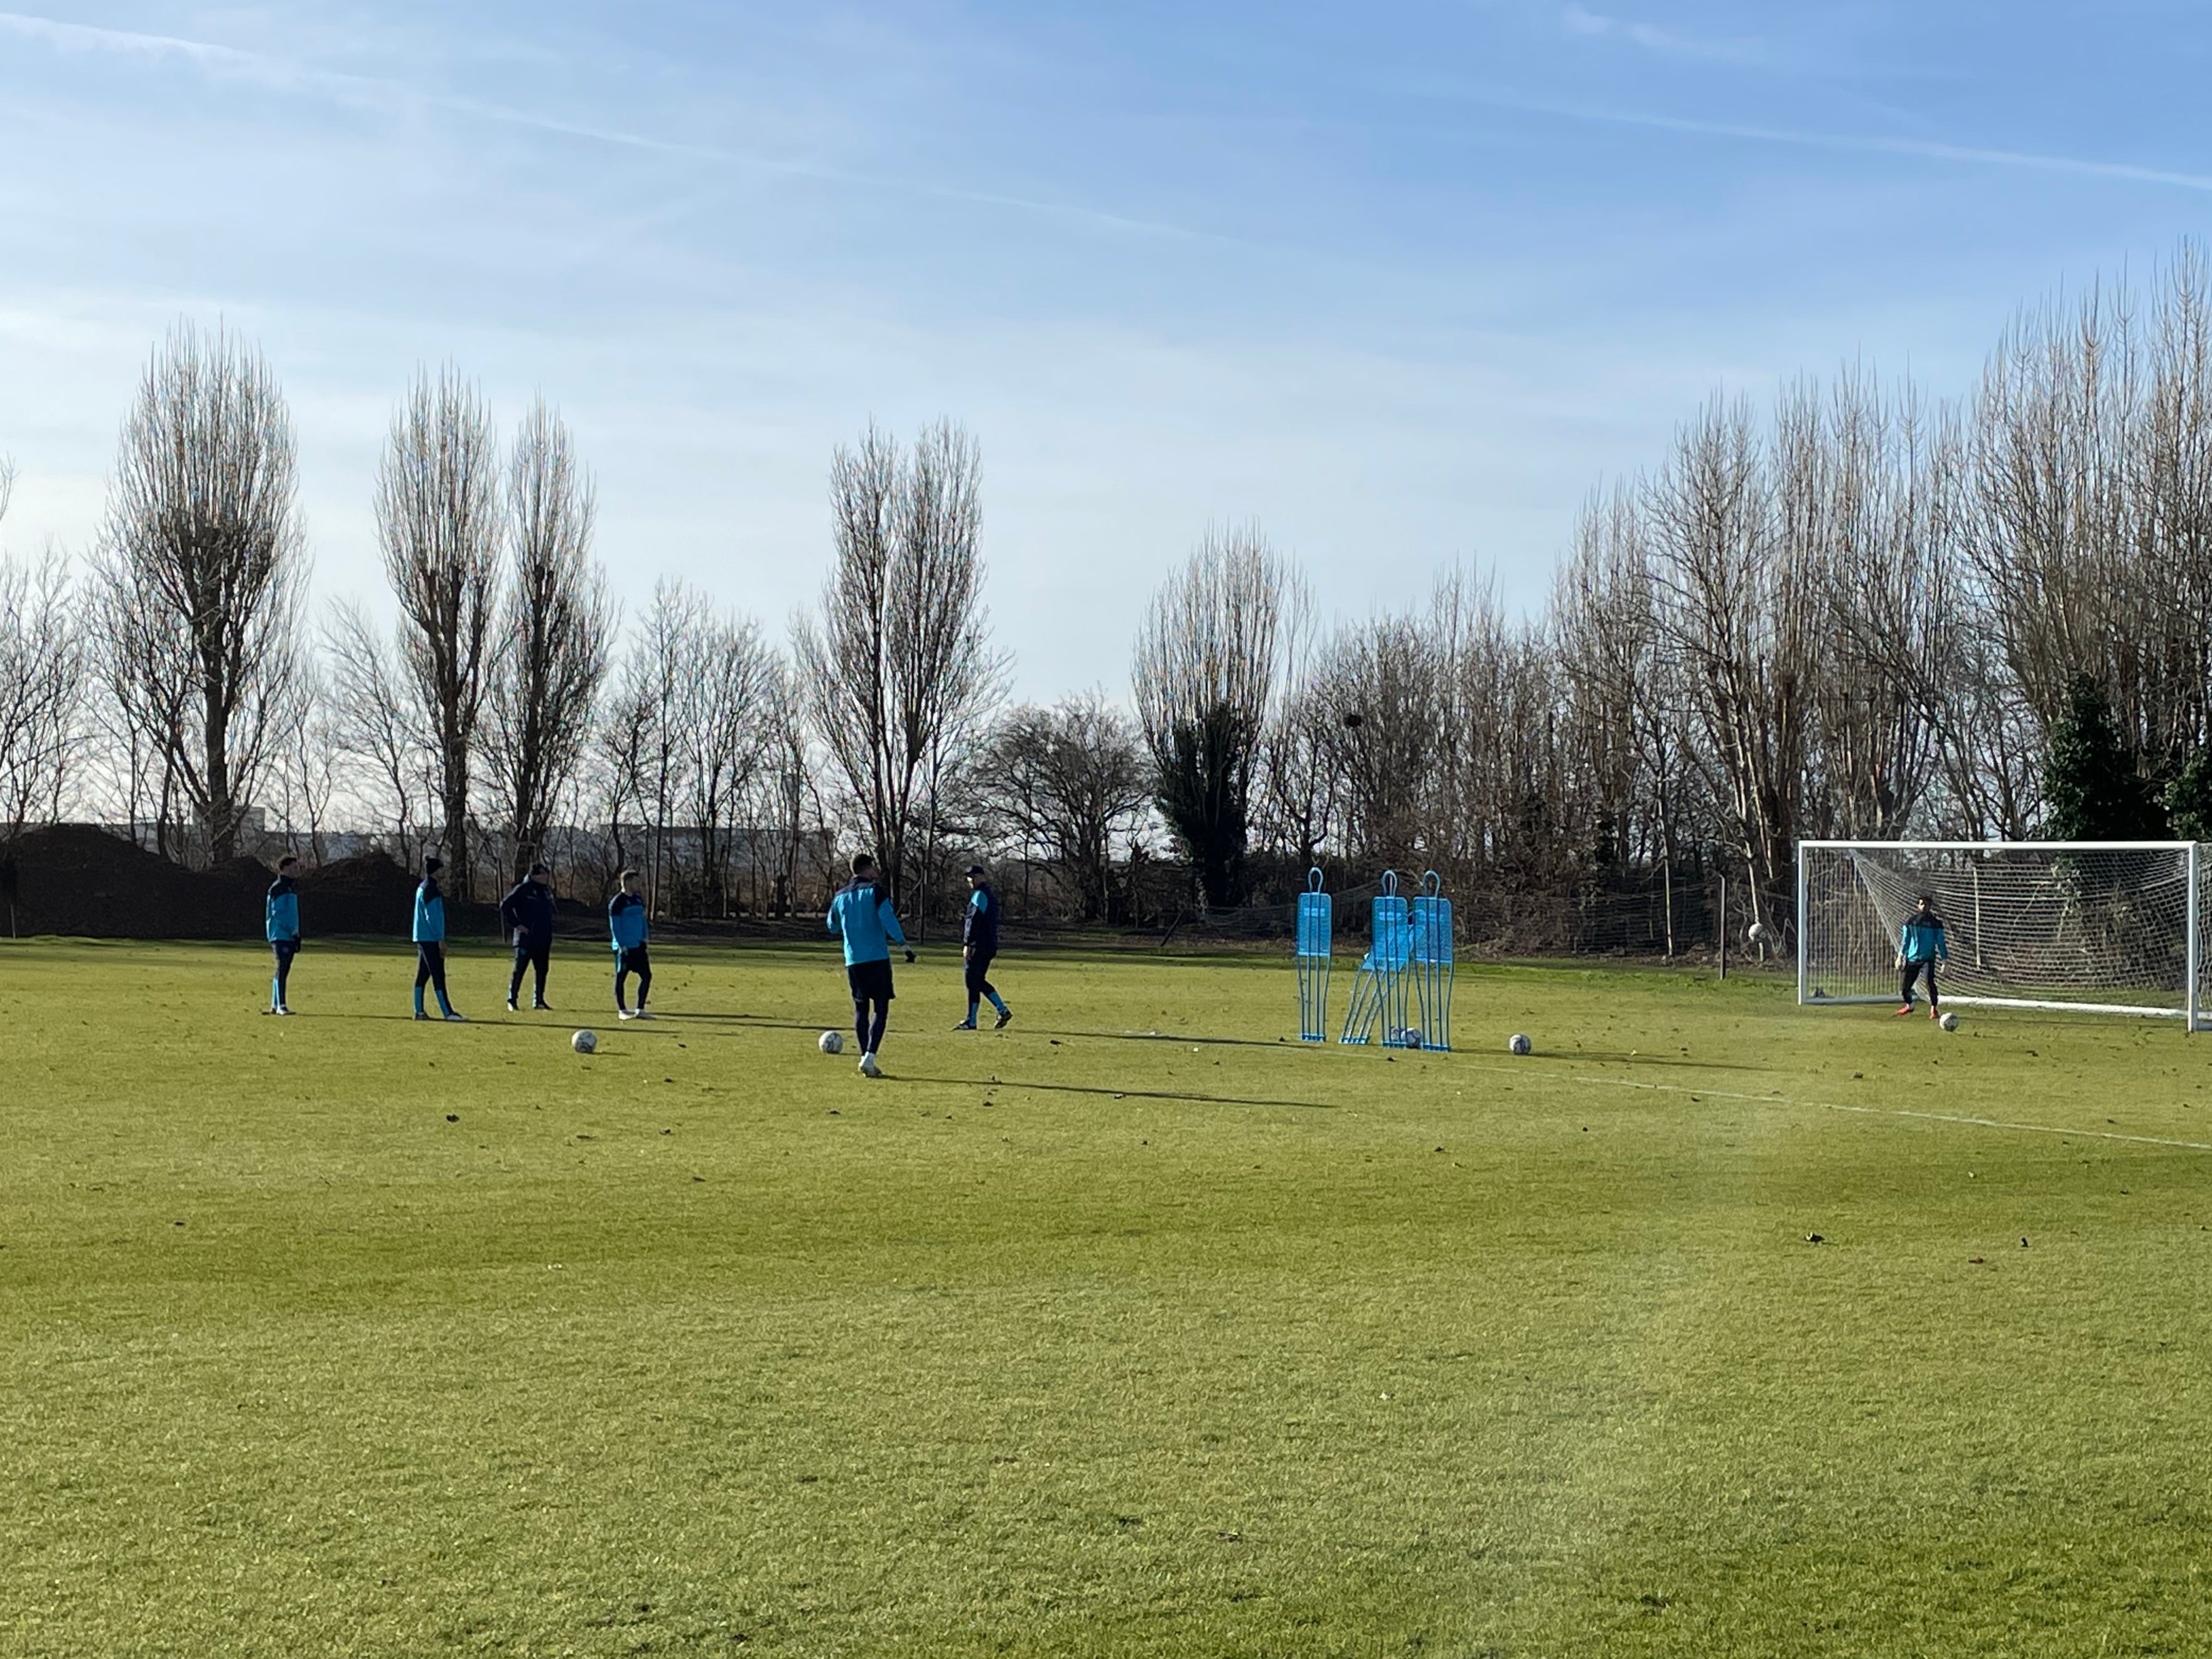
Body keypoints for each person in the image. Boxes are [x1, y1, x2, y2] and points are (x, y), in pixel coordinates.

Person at [827, 851, 911, 1078]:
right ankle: (870, 1056)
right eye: (873, 867)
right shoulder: (875, 891)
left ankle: (866, 1057)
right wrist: (904, 946)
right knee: (881, 1009)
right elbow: (888, 920)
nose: (876, 872)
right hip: (877, 958)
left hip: (853, 960)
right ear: (867, 868)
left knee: (861, 1009)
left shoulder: (839, 896)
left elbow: (832, 926)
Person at [953, 862, 1011, 1030]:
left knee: (973, 981)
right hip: (989, 944)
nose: (971, 880)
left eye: (975, 876)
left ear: (983, 877)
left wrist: (968, 944)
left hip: (979, 946)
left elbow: (973, 922)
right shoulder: (988, 895)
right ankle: (999, 1010)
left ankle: (974, 1020)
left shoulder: (980, 895)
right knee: (977, 981)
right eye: (969, 877)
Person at [501, 861, 557, 1012]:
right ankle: (512, 1000)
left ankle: (539, 1000)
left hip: (543, 938)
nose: (546, 877)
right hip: (526, 939)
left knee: (542, 970)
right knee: (519, 970)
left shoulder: (545, 891)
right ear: (534, 875)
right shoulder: (523, 889)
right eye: (542, 874)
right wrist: (517, 924)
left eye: (546, 874)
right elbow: (505, 905)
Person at [414, 854, 464, 1021]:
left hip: (421, 936)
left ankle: (419, 1011)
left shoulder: (422, 887)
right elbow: (433, 917)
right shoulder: (432, 890)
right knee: (438, 974)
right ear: (436, 871)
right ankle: (447, 1012)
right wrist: (440, 938)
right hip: (431, 938)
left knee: (423, 975)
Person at [1896, 894, 1948, 1019]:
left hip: (1928, 959)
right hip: (1912, 959)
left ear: (1930, 907)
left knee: (1929, 982)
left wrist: (1945, 961)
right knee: (1905, 988)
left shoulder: (1935, 923)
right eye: (1921, 904)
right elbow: (1906, 940)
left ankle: (1934, 1009)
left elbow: (1941, 942)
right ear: (1918, 906)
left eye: (1926, 904)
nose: (1924, 906)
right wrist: (1901, 956)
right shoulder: (1911, 922)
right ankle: (1910, 1005)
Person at [610, 868, 653, 1020]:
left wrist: (645, 936)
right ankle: (622, 1010)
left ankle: (640, 1009)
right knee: (621, 977)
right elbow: (614, 926)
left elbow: (642, 920)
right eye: (636, 882)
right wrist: (621, 945)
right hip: (624, 947)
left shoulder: (638, 899)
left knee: (647, 976)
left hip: (638, 945)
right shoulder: (617, 902)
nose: (638, 885)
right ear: (627, 882)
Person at [264, 853, 302, 1016]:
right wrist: (292, 931)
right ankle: (282, 1005)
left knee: (283, 969)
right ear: (285, 869)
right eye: (293, 867)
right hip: (280, 935)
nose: (297, 870)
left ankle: (275, 1004)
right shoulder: (278, 888)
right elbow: (278, 913)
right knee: (283, 968)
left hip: (288, 934)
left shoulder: (289, 888)